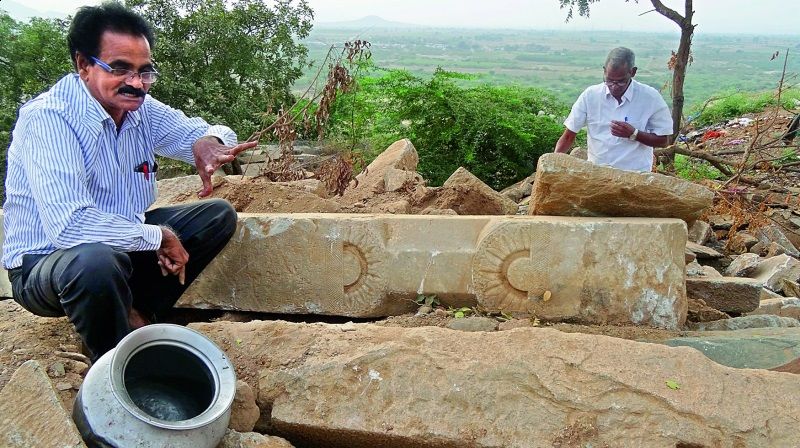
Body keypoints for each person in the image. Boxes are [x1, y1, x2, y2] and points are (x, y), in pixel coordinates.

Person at [2, 1, 257, 361]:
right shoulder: (50, 119)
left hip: (120, 248)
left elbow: (208, 132)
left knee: (217, 216)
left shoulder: (138, 108)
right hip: (49, 264)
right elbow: (70, 227)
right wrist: (159, 236)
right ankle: (116, 364)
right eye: (120, 69)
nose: (136, 84)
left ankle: (136, 316)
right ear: (84, 65)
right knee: (95, 261)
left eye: (144, 71)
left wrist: (208, 144)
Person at [554, 47, 673, 172]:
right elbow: (568, 136)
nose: (614, 87)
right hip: (597, 174)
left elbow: (664, 140)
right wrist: (554, 163)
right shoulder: (590, 96)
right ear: (604, 71)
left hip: (636, 177)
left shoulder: (650, 98)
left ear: (632, 72)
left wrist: (634, 134)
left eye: (621, 82)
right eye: (609, 81)